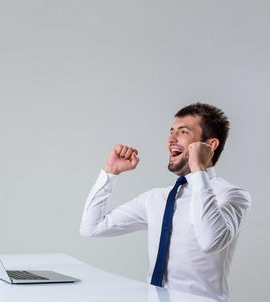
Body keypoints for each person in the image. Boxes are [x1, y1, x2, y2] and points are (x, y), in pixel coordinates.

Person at [79, 102, 251, 302]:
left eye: (183, 132)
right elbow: (91, 227)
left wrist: (198, 171)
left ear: (210, 145)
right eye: (171, 132)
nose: (171, 139)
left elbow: (210, 241)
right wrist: (110, 172)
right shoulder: (156, 198)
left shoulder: (233, 196)